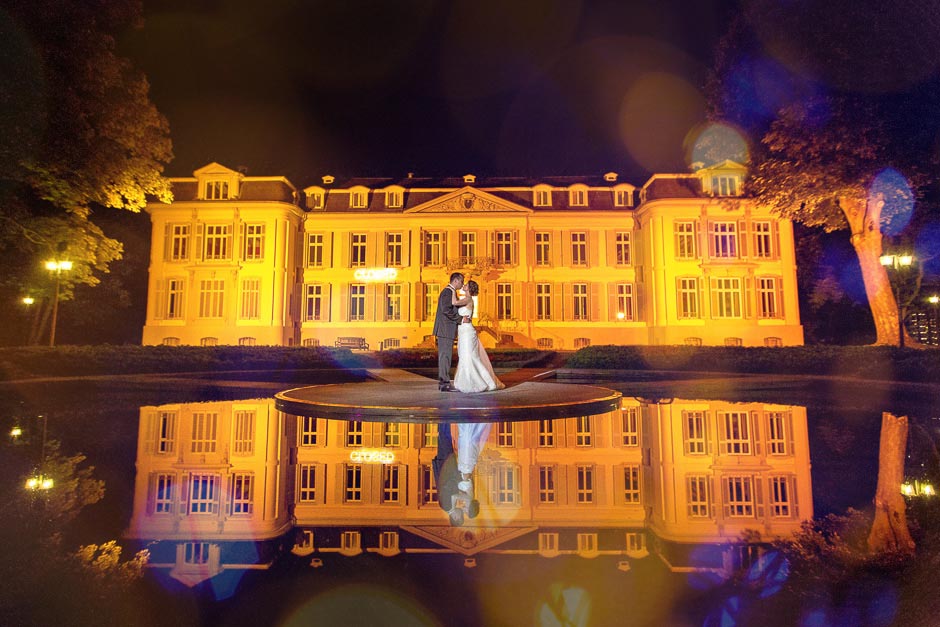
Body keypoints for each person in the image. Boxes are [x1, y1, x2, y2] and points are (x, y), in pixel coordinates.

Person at [452, 280, 505, 393]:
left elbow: (454, 303)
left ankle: (479, 382)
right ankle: (467, 380)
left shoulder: (468, 299)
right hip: (463, 330)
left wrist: (452, 288)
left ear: (469, 289)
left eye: (466, 285)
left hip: (467, 331)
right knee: (464, 356)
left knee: (470, 356)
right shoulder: (466, 299)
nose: (464, 285)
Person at [432, 423, 480, 526]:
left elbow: (447, 487)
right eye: (464, 513)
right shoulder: (450, 506)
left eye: (461, 515)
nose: (462, 512)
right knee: (446, 437)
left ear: (455, 518)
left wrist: (459, 493)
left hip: (445, 465)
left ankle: (444, 417)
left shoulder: (446, 506)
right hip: (449, 465)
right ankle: (445, 417)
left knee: (444, 437)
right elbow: (453, 491)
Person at [433, 272, 464, 392]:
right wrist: (460, 319)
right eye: (461, 282)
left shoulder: (450, 292)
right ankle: (444, 383)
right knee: (445, 356)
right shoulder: (447, 292)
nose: (462, 285)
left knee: (446, 356)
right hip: (445, 329)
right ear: (455, 281)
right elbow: (446, 310)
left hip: (446, 329)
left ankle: (444, 382)